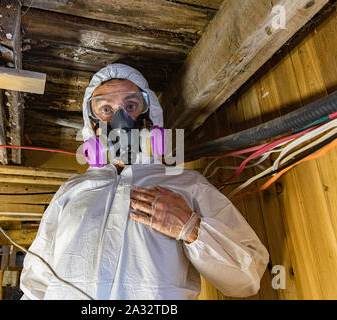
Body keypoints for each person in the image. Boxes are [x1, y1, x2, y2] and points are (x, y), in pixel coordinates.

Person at [19, 63, 269, 300]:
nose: (120, 119)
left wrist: (192, 228)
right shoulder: (71, 191)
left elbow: (246, 278)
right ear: (92, 126)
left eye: (130, 106)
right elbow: (35, 284)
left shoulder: (187, 185)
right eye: (106, 109)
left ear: (150, 116)